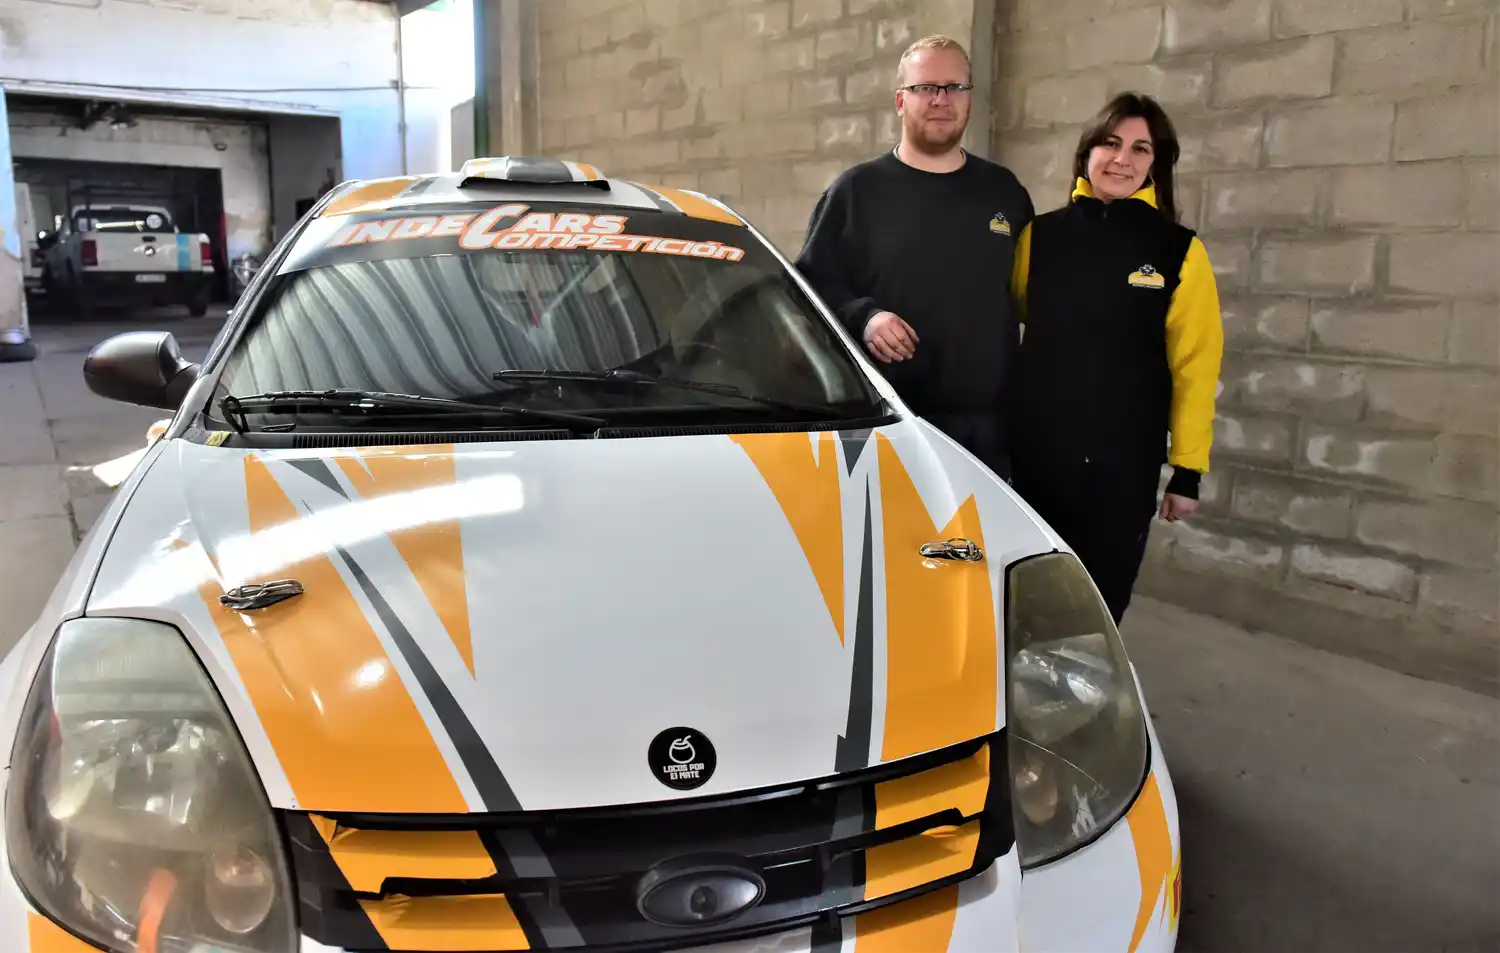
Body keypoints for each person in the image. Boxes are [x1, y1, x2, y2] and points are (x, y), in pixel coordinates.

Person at [1005, 92, 1224, 625]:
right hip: (1037, 457)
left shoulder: (1179, 251)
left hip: (1123, 468)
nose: (1123, 159)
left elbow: (1196, 366)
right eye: (1111, 142)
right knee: (1027, 596)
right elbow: (1013, 315)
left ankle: (1082, 702)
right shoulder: (1040, 237)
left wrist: (1188, 471)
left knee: (1099, 605)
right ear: (1088, 152)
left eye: (1140, 149)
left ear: (1156, 163)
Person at [795, 34, 1033, 480]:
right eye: (926, 88)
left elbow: (1030, 292)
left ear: (969, 99)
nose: (941, 100)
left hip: (987, 434)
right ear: (901, 102)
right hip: (886, 426)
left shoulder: (1004, 192)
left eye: (954, 88)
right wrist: (864, 317)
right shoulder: (856, 192)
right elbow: (807, 288)